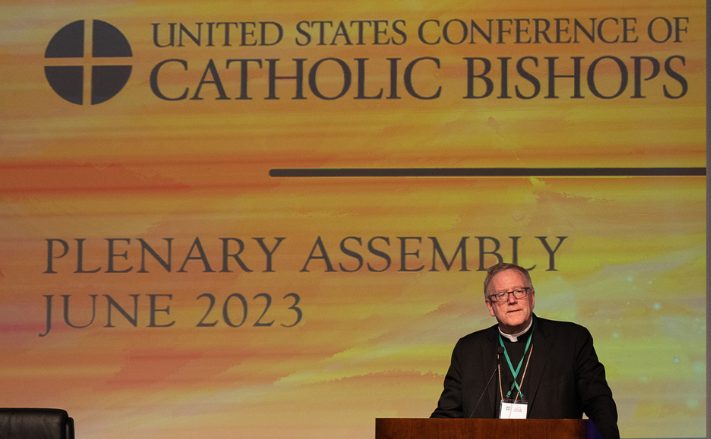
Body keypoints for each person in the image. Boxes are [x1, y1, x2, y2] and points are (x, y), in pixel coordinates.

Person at [431, 262, 619, 439]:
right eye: (501, 295)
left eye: (519, 291)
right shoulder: (468, 350)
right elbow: (447, 414)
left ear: (532, 297)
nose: (511, 300)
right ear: (490, 306)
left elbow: (598, 402)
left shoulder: (571, 340)